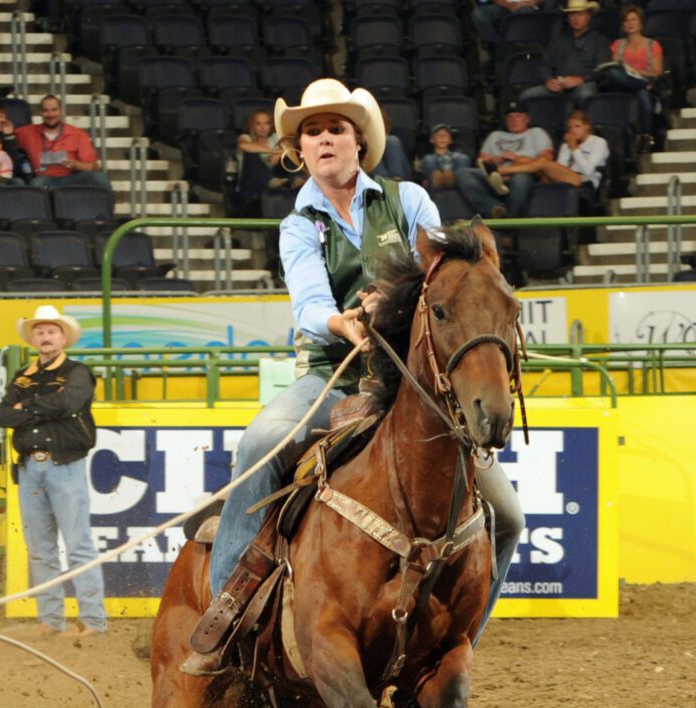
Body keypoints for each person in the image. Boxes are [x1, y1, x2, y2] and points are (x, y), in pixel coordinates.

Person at [186, 78, 524, 674]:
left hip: (413, 388)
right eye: (311, 131)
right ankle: (228, 605)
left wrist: (390, 306)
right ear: (300, 149)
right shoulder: (298, 226)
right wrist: (344, 323)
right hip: (334, 377)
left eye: (335, 128)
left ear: (357, 142)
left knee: (508, 518)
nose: (323, 139)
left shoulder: (409, 200)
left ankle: (456, 648)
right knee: (263, 442)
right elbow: (310, 306)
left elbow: (440, 278)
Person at [0, 304, 107, 638]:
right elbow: (5, 415)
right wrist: (45, 407)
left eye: (51, 331)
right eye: (40, 331)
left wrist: (26, 408)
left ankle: (92, 620)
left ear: (63, 338)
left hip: (62, 464)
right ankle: (52, 619)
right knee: (41, 547)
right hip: (33, 465)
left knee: (76, 545)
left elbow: (67, 403)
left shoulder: (76, 372)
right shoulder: (24, 375)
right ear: (34, 338)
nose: (45, 337)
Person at [454, 101, 554, 218]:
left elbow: (546, 160)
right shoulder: (495, 135)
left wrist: (516, 159)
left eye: (518, 116)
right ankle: (493, 208)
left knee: (520, 180)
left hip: (522, 173)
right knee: (462, 173)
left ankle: (508, 221)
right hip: (494, 175)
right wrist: (491, 161)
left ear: (527, 119)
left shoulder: (537, 133)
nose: (514, 120)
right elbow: (480, 162)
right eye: (510, 117)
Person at [500, 109, 608, 200]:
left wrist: (574, 148)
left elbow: (588, 170)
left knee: (542, 162)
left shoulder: (598, 142)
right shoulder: (567, 144)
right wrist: (569, 147)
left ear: (587, 126)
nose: (573, 131)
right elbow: (560, 166)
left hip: (584, 180)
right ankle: (503, 179)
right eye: (570, 128)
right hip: (565, 177)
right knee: (522, 160)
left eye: (577, 126)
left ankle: (500, 171)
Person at [520, 0, 610, 109]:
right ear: (568, 17)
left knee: (585, 94)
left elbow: (602, 70)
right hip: (559, 86)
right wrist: (548, 80)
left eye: (580, 14)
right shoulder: (558, 40)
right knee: (526, 96)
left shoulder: (599, 41)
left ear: (588, 16)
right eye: (572, 15)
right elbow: (544, 65)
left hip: (584, 85)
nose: (576, 19)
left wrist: (580, 79)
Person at [13, 95, 111, 191]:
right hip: (46, 179)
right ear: (40, 113)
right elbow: (4, 134)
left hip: (72, 177)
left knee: (100, 177)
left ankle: (108, 207)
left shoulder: (77, 134)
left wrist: (76, 165)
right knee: (37, 184)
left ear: (61, 111)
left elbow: (94, 166)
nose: (50, 114)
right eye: (45, 110)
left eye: (54, 110)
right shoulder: (27, 132)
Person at [601, 5, 664, 140]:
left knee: (644, 96)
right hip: (623, 84)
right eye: (626, 20)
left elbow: (657, 72)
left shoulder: (652, 45)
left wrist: (638, 72)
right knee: (613, 73)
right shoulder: (618, 44)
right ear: (623, 25)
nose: (630, 23)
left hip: (642, 79)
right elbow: (615, 67)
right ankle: (641, 85)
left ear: (641, 23)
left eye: (633, 20)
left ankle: (647, 136)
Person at [231, 108, 284, 216]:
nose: (263, 128)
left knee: (288, 157)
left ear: (271, 126)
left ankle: (297, 180)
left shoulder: (275, 139)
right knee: (250, 154)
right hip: (250, 182)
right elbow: (244, 146)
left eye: (266, 123)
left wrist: (280, 153)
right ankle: (270, 181)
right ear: (252, 126)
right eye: (258, 124)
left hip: (274, 177)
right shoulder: (246, 138)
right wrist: (274, 151)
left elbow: (289, 147)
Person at [471, 0, 557, 58]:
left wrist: (532, 2)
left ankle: (526, 52)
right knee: (478, 15)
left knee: (525, 13)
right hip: (505, 6)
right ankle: (499, 48)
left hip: (529, 7)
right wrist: (510, 6)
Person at [418, 122, 471, 192]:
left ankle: (454, 181)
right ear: (432, 140)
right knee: (428, 159)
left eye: (445, 136)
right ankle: (436, 182)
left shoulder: (458, 157)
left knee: (463, 158)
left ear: (450, 140)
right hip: (434, 182)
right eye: (439, 135)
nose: (442, 138)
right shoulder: (429, 158)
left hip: (455, 175)